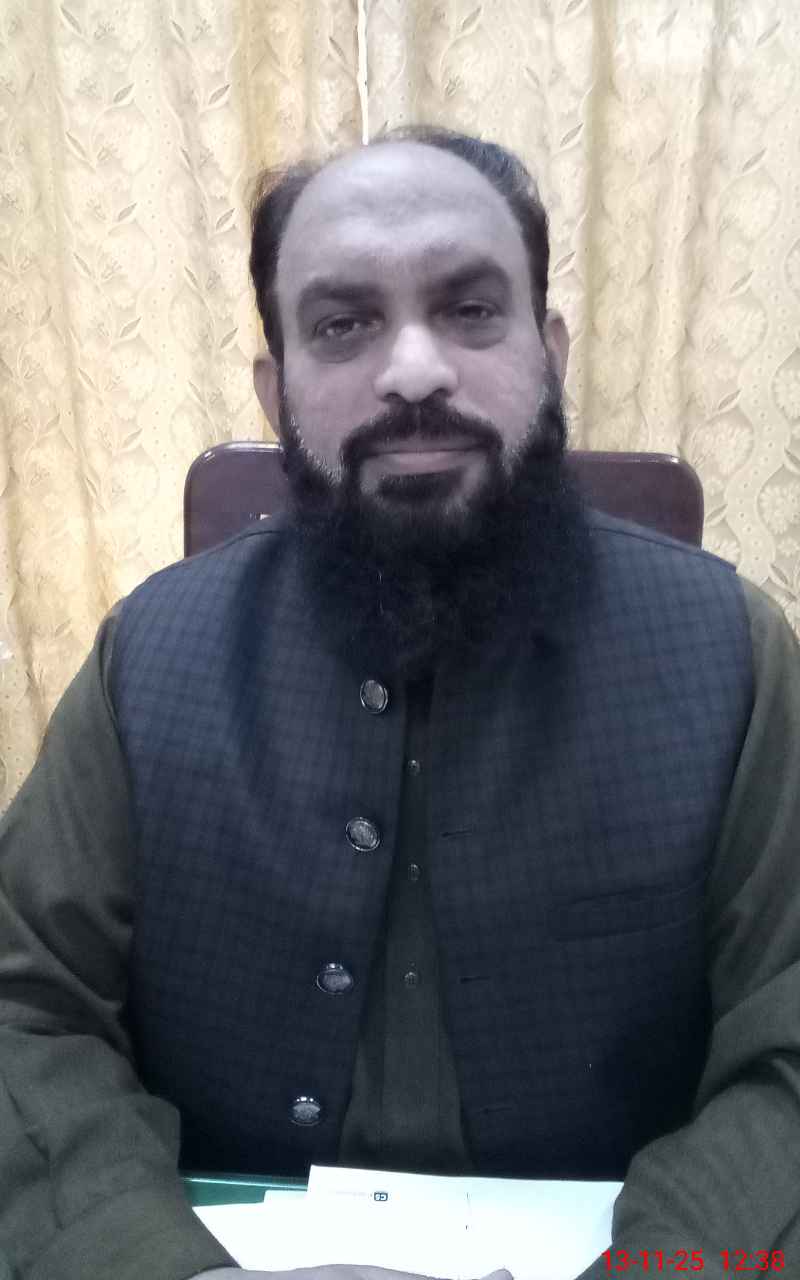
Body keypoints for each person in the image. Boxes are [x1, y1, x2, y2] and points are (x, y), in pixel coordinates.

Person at [0, 123, 799, 1280]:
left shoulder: (730, 654)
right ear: (276, 388)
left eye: (470, 309)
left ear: (549, 353)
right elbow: (24, 1006)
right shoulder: (150, 655)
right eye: (342, 323)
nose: (413, 369)